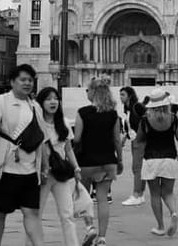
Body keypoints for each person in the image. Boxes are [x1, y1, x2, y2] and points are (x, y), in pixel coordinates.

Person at [0, 64, 46, 246]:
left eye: (30, 80)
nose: (27, 83)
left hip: (30, 170)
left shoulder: (36, 107)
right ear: (12, 82)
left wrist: (45, 166)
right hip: (5, 168)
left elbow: (42, 140)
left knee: (32, 212)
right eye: (23, 80)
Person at [29, 87, 87, 246]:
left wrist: (76, 168)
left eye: (55, 98)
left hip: (61, 174)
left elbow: (68, 149)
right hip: (42, 174)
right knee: (36, 214)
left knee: (67, 214)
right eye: (48, 99)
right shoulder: (35, 124)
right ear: (41, 103)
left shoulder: (64, 122)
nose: (53, 102)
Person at [74, 78, 123, 246]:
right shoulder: (113, 114)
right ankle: (102, 238)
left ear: (94, 93)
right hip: (108, 162)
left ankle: (90, 228)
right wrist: (120, 161)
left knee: (84, 197)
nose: (87, 93)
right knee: (102, 199)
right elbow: (117, 140)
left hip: (86, 162)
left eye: (88, 90)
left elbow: (77, 138)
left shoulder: (82, 113)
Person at [137, 88, 178, 237]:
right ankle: (174, 213)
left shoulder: (145, 119)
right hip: (170, 158)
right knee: (168, 192)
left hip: (151, 158)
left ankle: (160, 226)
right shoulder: (173, 118)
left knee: (155, 194)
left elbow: (139, 139)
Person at [119, 86, 146, 207]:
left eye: (123, 94)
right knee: (139, 168)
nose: (120, 97)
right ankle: (140, 194)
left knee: (137, 168)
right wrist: (125, 139)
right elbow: (129, 127)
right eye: (120, 94)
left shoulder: (137, 106)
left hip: (140, 141)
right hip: (134, 140)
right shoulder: (128, 109)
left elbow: (145, 121)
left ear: (129, 95)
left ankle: (136, 194)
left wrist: (140, 135)